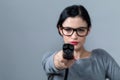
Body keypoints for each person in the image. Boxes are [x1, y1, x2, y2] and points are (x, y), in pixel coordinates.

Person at [42, 4, 120, 80]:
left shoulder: (102, 58)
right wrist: (59, 60)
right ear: (60, 30)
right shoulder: (49, 57)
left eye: (81, 30)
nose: (74, 36)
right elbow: (52, 63)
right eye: (68, 29)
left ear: (88, 30)